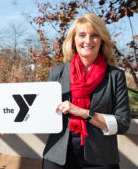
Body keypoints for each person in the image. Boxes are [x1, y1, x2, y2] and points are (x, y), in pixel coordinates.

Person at [42, 13, 131, 169]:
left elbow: (122, 123)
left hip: (101, 159)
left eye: (94, 35)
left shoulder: (115, 76)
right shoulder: (58, 73)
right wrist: (4, 124)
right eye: (82, 35)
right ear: (74, 40)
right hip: (58, 157)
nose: (88, 41)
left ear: (102, 40)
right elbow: (40, 112)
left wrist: (82, 112)